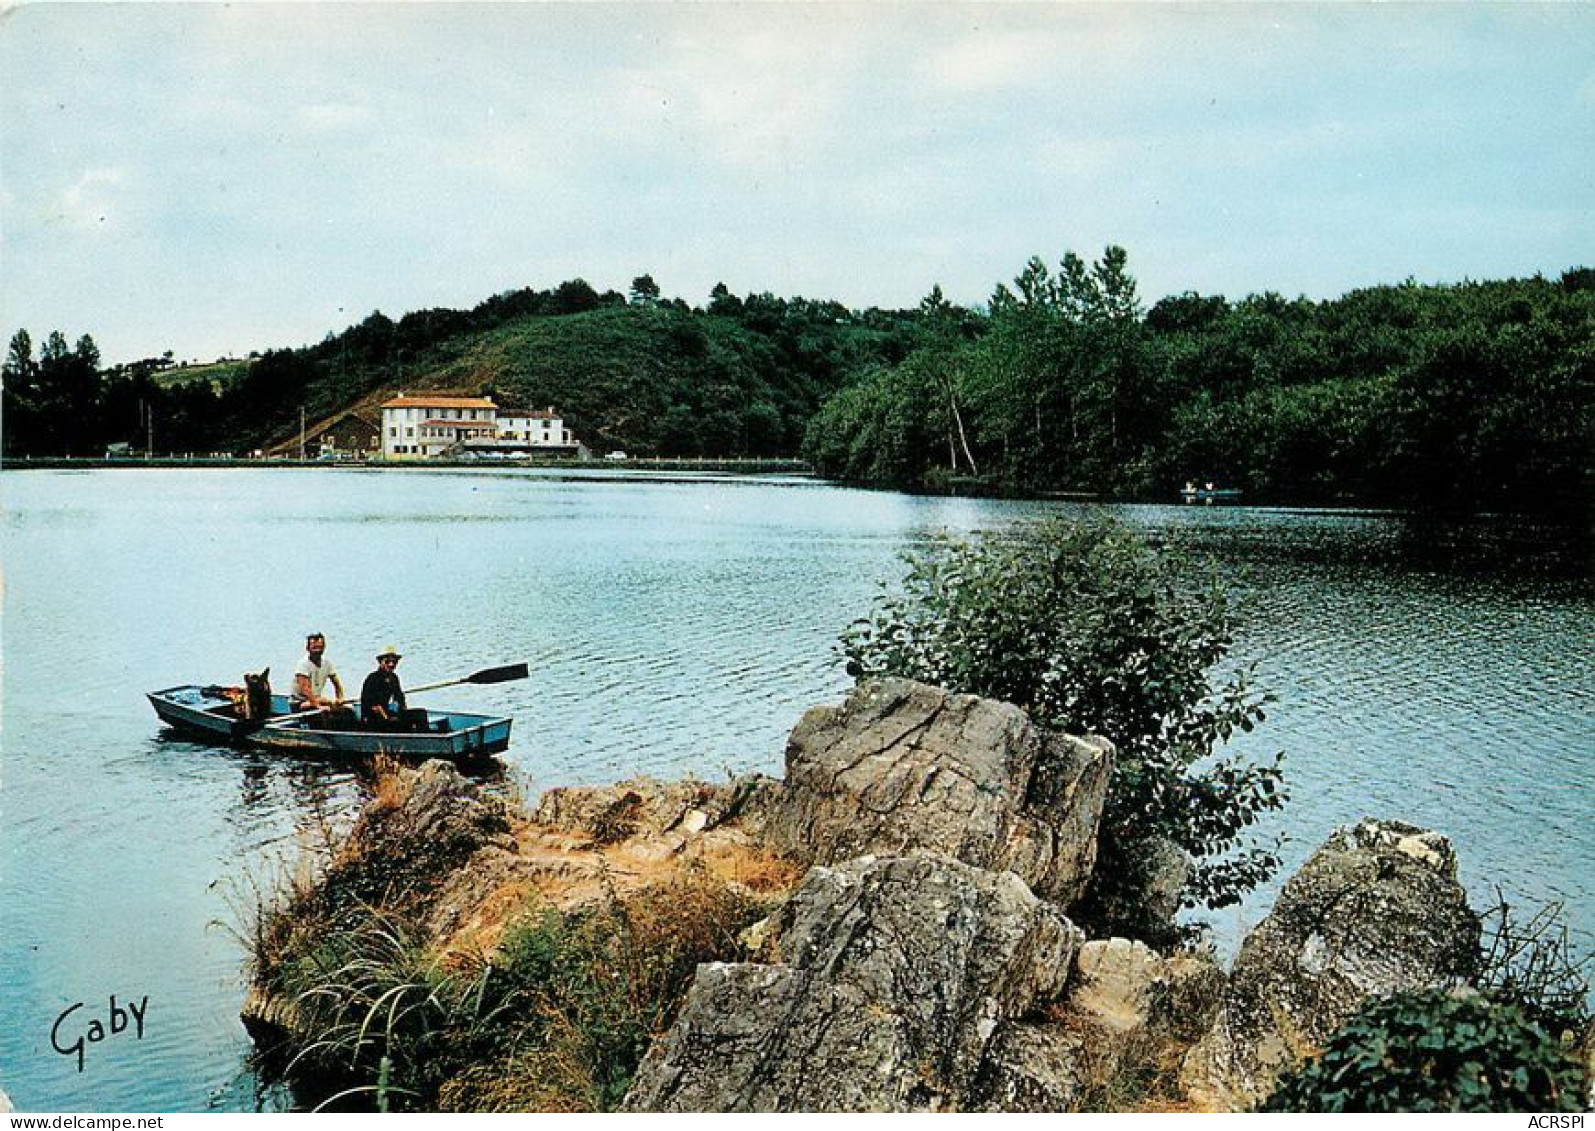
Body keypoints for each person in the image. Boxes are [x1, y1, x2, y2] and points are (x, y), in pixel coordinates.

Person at [291, 632, 346, 712]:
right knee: (324, 707)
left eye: (320, 647)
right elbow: (305, 689)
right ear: (308, 648)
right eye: (314, 647)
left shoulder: (327, 663)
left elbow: (336, 683)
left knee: (344, 709)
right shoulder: (303, 665)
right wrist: (318, 706)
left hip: (315, 699)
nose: (317, 650)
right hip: (299, 702)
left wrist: (340, 698)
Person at [360, 645, 408, 727]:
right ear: (381, 662)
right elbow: (370, 704)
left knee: (418, 714)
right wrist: (386, 718)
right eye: (387, 662)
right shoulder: (372, 678)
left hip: (385, 711)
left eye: (394, 662)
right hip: (371, 715)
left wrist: (403, 710)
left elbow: (399, 697)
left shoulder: (394, 678)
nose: (391, 664)